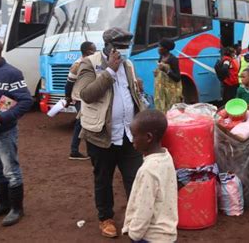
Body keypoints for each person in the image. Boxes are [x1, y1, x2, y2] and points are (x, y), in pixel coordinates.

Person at [75, 27, 145, 238]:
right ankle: (106, 218)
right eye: (119, 47)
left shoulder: (129, 64)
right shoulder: (89, 63)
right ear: (108, 45)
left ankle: (137, 219)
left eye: (125, 47)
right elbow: (86, 94)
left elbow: (128, 94)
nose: (122, 52)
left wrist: (137, 89)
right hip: (101, 135)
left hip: (128, 133)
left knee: (135, 178)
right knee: (103, 179)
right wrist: (110, 72)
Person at [0, 38, 33, 226]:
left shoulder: (12, 73)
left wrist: (1, 117)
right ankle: (2, 205)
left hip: (3, 132)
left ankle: (16, 209)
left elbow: (25, 101)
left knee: (11, 171)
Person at [122, 110, 178, 242]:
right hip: (167, 234)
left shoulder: (148, 170)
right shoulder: (166, 157)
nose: (132, 140)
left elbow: (144, 208)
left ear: (148, 137)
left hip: (150, 237)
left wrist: (134, 234)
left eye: (134, 136)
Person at [65, 41, 96, 160]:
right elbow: (69, 83)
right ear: (87, 51)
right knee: (82, 122)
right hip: (79, 98)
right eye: (93, 50)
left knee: (86, 123)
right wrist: (67, 98)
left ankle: (90, 151)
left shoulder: (92, 62)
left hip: (89, 97)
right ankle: (74, 151)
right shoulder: (77, 65)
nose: (95, 52)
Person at [154, 38, 182, 113]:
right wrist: (157, 73)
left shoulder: (173, 59)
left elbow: (177, 78)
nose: (158, 49)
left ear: (165, 49)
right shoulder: (161, 58)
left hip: (170, 93)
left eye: (160, 47)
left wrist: (166, 71)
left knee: (170, 112)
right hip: (161, 91)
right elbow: (161, 72)